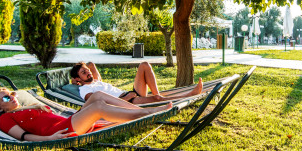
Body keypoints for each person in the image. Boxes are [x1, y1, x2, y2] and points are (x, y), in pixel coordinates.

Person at [0, 87, 173, 142]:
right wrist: (50, 139)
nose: (12, 97)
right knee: (98, 106)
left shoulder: (27, 108)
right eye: (6, 98)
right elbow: (24, 136)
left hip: (70, 120)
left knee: (98, 96)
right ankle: (146, 113)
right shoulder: (5, 118)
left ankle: (139, 111)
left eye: (11, 94)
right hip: (64, 130)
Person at [70, 61, 203, 105]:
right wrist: (125, 99)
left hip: (129, 94)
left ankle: (158, 97)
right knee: (156, 99)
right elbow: (96, 103)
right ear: (78, 79)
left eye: (88, 71)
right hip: (125, 101)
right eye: (84, 72)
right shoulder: (85, 90)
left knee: (144, 65)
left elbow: (91, 64)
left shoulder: (96, 80)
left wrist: (81, 72)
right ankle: (189, 95)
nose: (88, 72)